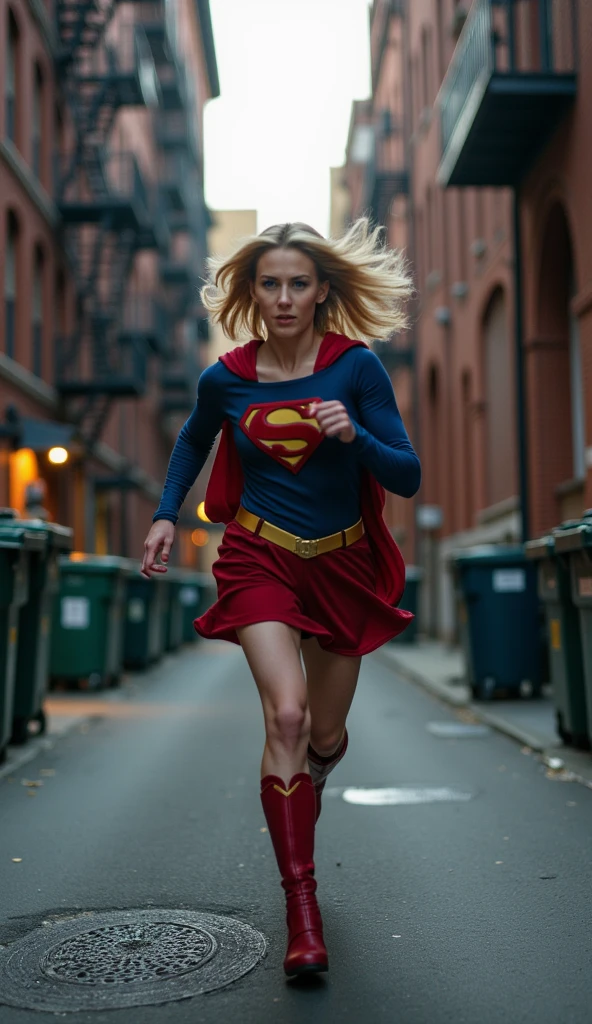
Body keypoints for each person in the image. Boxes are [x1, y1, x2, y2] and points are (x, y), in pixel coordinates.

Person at [141, 218, 421, 979]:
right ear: (252, 291)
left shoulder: (356, 369)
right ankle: (303, 912)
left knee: (323, 735)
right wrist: (167, 514)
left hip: (342, 566)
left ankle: (316, 768)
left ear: (323, 290)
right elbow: (193, 440)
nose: (285, 296)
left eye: (299, 282)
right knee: (286, 716)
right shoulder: (225, 377)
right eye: (271, 283)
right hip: (259, 556)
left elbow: (407, 474)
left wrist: (353, 436)